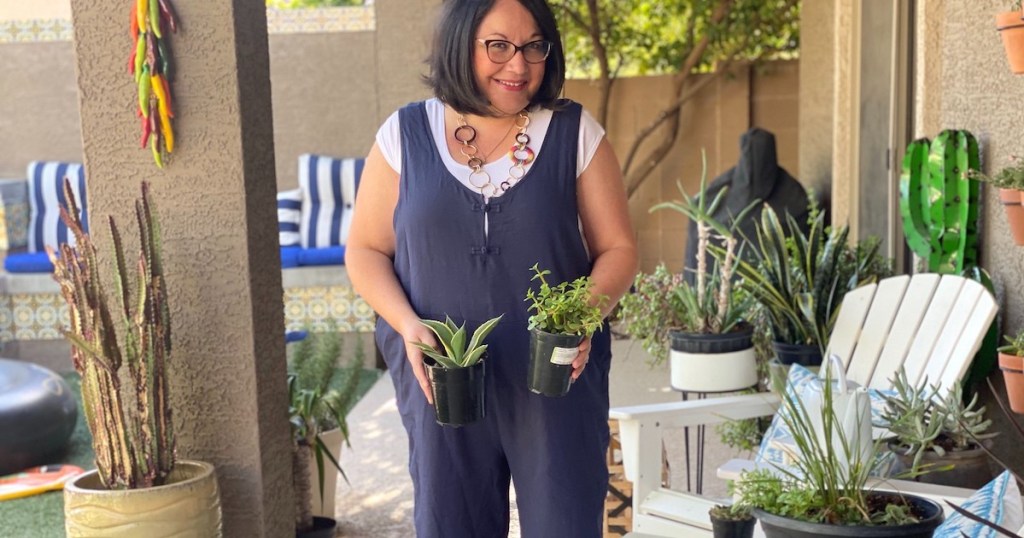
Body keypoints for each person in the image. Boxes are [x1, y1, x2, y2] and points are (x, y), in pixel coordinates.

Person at [345, 0, 637, 536]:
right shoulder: (404, 135)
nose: (518, 65)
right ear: (462, 44)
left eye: (533, 47)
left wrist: (582, 317)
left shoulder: (574, 132)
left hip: (555, 379)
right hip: (441, 379)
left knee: (564, 524)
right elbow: (365, 250)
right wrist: (409, 327)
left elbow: (617, 248)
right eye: (498, 46)